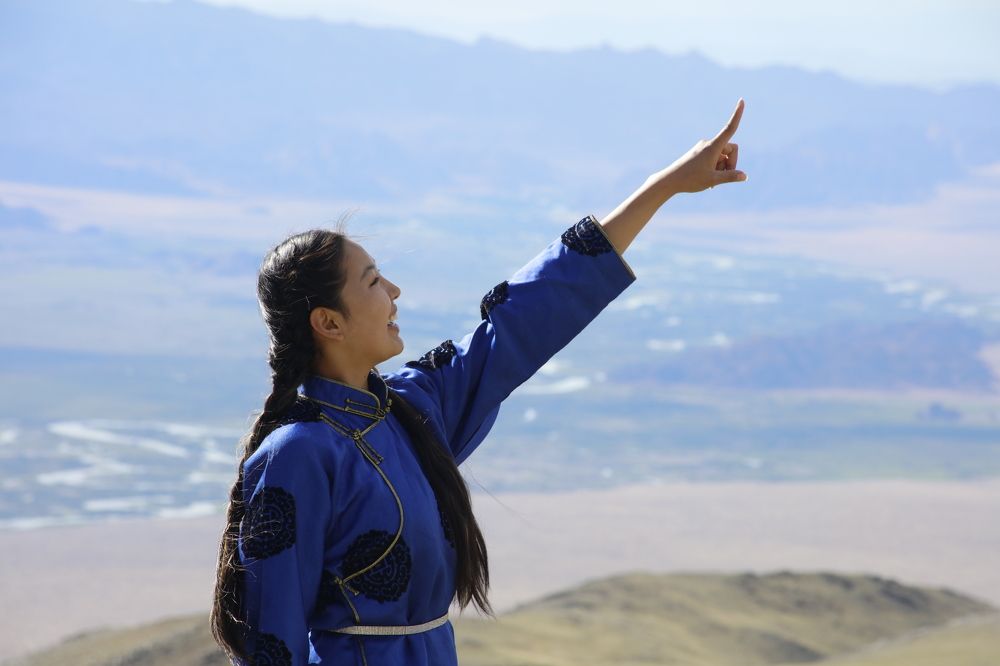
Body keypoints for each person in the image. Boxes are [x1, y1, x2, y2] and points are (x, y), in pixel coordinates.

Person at [211, 99, 748, 665]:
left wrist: (662, 187)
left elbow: (524, 318)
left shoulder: (415, 408)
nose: (394, 292)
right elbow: (271, 644)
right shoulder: (298, 454)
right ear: (328, 323)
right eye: (372, 281)